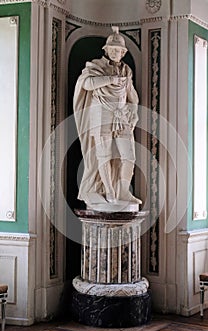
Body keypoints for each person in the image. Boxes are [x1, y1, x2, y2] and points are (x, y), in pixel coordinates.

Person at [73, 26, 141, 207]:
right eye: (112, 50)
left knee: (129, 156)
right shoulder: (96, 66)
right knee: (104, 156)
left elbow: (131, 94)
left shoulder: (126, 70)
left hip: (121, 116)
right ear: (106, 50)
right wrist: (110, 80)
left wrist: (134, 112)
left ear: (123, 52)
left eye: (118, 51)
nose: (115, 53)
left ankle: (123, 192)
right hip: (100, 114)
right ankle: (109, 191)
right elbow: (86, 84)